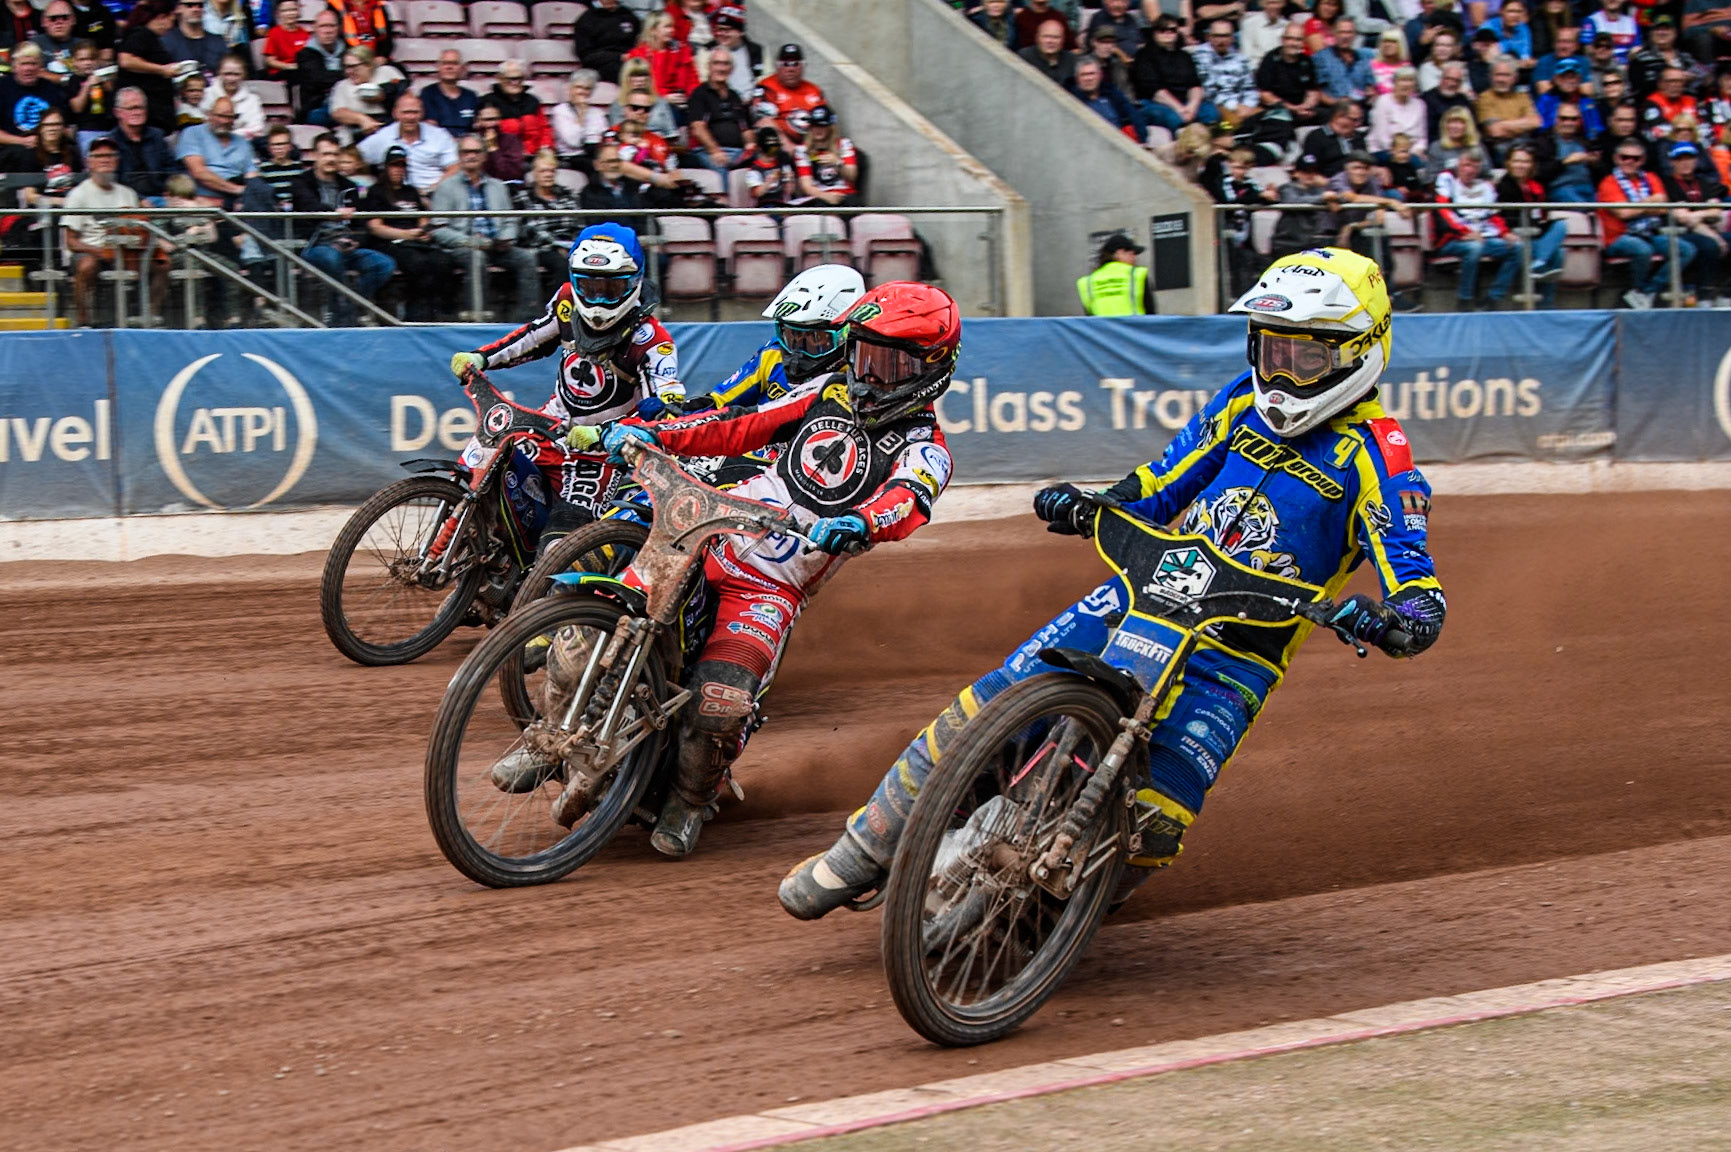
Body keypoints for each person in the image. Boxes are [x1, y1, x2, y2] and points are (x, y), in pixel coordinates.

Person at [778, 248, 1445, 920]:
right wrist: (1090, 503)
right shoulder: (1240, 403)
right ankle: (860, 850)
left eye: (1303, 358)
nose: (1279, 372)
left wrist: (1403, 618)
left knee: (1156, 822)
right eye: (1270, 350)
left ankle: (1049, 924)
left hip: (1237, 653)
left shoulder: (1377, 460)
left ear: (1359, 352)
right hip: (1142, 596)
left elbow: (1413, 574)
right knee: (985, 707)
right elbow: (1156, 484)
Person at [558, 281, 962, 859]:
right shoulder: (826, 390)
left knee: (717, 705)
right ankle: (548, 731)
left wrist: (862, 524)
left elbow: (907, 499)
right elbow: (737, 425)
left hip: (773, 583)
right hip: (715, 533)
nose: (870, 375)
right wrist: (650, 434)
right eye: (864, 355)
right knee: (592, 626)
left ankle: (691, 799)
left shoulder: (927, 448)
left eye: (889, 363)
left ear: (931, 368)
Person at [448, 223, 679, 553]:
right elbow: (533, 337)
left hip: (601, 454)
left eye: (611, 288)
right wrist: (482, 357)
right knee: (483, 471)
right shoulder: (567, 301)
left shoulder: (653, 342)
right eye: (588, 285)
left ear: (634, 282)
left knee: (559, 549)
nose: (598, 299)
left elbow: (665, 413)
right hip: (550, 428)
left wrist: (610, 431)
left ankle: (548, 593)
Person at [690, 264, 867, 417]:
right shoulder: (773, 354)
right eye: (792, 338)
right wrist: (678, 417)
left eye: (815, 340)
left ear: (846, 334)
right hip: (753, 447)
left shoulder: (860, 374)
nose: (797, 353)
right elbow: (718, 402)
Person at [64, 135, 171, 324]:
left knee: (163, 264)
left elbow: (140, 228)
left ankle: (151, 316)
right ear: (89, 162)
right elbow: (70, 241)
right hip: (92, 249)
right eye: (99, 156)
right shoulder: (78, 194)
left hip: (125, 250)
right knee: (86, 265)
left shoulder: (128, 193)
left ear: (117, 160)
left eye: (110, 155)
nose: (105, 159)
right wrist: (101, 252)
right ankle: (83, 319)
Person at [289, 132, 395, 323]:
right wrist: (335, 213)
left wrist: (355, 241)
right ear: (314, 155)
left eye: (335, 154)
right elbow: (309, 206)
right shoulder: (301, 182)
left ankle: (349, 307)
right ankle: (342, 312)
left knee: (384, 265)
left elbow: (361, 224)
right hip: (314, 246)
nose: (331, 159)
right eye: (326, 154)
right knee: (331, 257)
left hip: (347, 248)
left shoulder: (349, 186)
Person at [431, 133, 539, 316]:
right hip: (463, 246)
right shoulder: (446, 187)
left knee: (526, 258)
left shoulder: (498, 186)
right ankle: (478, 315)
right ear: (459, 156)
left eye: (475, 151)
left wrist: (506, 238)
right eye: (466, 152)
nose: (471, 156)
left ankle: (526, 319)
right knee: (476, 258)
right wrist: (471, 241)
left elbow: (510, 220)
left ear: (484, 155)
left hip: (496, 245)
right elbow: (438, 229)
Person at [360, 143, 453, 320]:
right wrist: (405, 234)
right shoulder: (376, 191)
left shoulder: (411, 191)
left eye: (402, 165)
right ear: (386, 167)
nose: (398, 170)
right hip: (390, 242)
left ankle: (440, 313)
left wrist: (424, 231)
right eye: (394, 165)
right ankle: (416, 316)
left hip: (416, 240)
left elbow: (423, 218)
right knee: (417, 264)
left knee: (444, 261)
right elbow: (375, 227)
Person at [1596, 138, 1689, 309]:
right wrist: (1650, 202)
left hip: (1649, 233)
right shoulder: (1608, 182)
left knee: (1685, 250)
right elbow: (1623, 213)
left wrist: (1637, 206)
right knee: (1642, 250)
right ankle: (1640, 292)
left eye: (1635, 158)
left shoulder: (1651, 178)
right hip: (1618, 237)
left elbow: (1662, 208)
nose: (1630, 161)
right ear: (1617, 158)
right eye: (1625, 157)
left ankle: (1644, 292)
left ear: (1643, 160)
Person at [1494, 143, 1569, 299]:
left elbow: (1542, 215)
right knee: (1558, 253)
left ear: (1532, 165)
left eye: (1525, 162)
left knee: (1561, 227)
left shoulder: (1536, 186)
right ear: (1508, 163)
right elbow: (1495, 216)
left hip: (1535, 235)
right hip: (1516, 237)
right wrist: (1506, 234)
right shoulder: (1502, 186)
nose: (1521, 165)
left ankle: (1539, 265)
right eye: (1517, 161)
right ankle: (1545, 295)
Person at [1660, 140, 1728, 307]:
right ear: (1672, 162)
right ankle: (1704, 295)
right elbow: (1683, 218)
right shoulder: (1667, 183)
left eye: (1689, 158)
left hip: (1704, 229)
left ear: (1696, 160)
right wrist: (1713, 234)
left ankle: (1727, 294)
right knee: (1709, 245)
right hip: (1677, 231)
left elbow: (1716, 212)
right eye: (1680, 159)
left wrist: (1698, 214)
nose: (1685, 163)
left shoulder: (1704, 183)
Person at [357, 90, 457, 193]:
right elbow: (354, 158)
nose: (410, 117)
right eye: (406, 112)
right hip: (395, 197)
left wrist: (433, 188)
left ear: (422, 113)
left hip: (435, 193)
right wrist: (369, 185)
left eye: (415, 112)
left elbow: (456, 167)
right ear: (395, 113)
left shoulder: (439, 135)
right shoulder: (382, 137)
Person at [514, 147, 583, 292]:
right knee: (560, 263)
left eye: (551, 171)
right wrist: (557, 245)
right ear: (534, 173)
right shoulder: (523, 198)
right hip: (541, 247)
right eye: (543, 171)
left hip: (571, 247)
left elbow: (579, 225)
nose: (548, 175)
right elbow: (530, 229)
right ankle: (561, 308)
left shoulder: (567, 195)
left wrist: (572, 245)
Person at [1134, 14, 1211, 130]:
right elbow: (1155, 91)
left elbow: (1195, 85)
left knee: (1211, 113)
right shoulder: (1144, 55)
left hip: (1186, 102)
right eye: (1162, 30)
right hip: (1157, 103)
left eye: (1172, 30)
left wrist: (1191, 107)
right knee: (1174, 118)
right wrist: (1180, 109)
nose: (1168, 33)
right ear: (1154, 32)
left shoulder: (1184, 56)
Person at [175, 93, 254, 202]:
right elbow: (199, 173)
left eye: (230, 117)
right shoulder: (192, 133)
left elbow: (252, 175)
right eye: (221, 116)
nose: (225, 121)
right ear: (210, 115)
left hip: (240, 200)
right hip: (202, 199)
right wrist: (237, 189)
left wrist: (253, 191)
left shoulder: (242, 142)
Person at [106, 84, 177, 197]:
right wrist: (139, 199)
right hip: (125, 200)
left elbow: (171, 168)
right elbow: (112, 182)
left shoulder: (157, 136)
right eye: (131, 108)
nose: (137, 112)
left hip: (160, 197)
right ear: (117, 112)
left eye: (140, 107)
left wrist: (172, 189)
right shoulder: (109, 142)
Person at [0, 44, 71, 154]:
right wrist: (21, 141)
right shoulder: (2, 87)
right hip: (12, 149)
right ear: (14, 67)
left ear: (40, 67)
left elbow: (64, 127)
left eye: (33, 64)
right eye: (23, 64)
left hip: (49, 147)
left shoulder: (51, 89)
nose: (28, 68)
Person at [687, 49, 750, 172]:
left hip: (738, 152)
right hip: (707, 151)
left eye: (725, 64)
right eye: (716, 63)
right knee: (720, 168)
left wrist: (750, 144)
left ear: (731, 69)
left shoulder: (735, 96)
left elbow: (746, 128)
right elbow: (698, 128)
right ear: (709, 66)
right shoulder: (699, 94)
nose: (721, 68)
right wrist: (715, 151)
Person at [1269, 152, 1342, 257]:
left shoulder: (1320, 189)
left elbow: (1342, 197)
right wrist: (1323, 198)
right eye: (1306, 172)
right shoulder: (1287, 188)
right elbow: (1292, 201)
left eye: (1314, 172)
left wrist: (1328, 188)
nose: (1310, 175)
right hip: (1287, 242)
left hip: (1312, 243)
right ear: (1296, 173)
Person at [1190, 19, 1259, 126]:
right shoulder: (1199, 56)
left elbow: (1249, 87)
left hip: (1242, 106)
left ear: (1232, 38)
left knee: (1271, 117)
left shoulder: (1240, 58)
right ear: (1209, 37)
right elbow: (1208, 90)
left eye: (1225, 36)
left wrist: (1248, 106)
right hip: (1216, 104)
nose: (1221, 40)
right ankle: (1221, 135)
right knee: (1233, 123)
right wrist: (1235, 106)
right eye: (1217, 36)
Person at [1255, 22, 1324, 127]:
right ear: (1282, 40)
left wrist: (1306, 106)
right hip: (1279, 109)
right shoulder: (1270, 59)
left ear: (1303, 42)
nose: (1293, 43)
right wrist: (1292, 108)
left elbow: (1313, 91)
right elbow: (1264, 95)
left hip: (1303, 109)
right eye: (1289, 38)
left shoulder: (1307, 61)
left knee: (1328, 115)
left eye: (1298, 39)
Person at [757, 42, 828, 144]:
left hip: (810, 146)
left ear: (803, 66)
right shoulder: (766, 87)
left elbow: (827, 123)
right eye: (785, 64)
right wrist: (787, 145)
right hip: (778, 147)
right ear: (777, 67)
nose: (791, 69)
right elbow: (764, 122)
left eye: (795, 64)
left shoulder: (815, 90)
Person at [327, 45, 405, 138]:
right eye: (346, 67)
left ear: (368, 65)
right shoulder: (342, 85)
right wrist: (362, 119)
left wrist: (385, 95)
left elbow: (407, 96)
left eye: (353, 67)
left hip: (390, 125)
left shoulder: (387, 72)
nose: (349, 71)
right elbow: (338, 113)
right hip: (356, 130)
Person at [624, 12, 698, 109]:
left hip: (684, 102)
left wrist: (694, 98)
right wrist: (663, 98)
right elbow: (638, 87)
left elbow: (692, 80)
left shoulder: (682, 51)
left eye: (672, 27)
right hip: (651, 105)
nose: (671, 30)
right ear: (653, 30)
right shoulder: (638, 55)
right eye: (667, 27)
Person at [480, 58, 552, 157]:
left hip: (534, 156)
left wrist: (546, 148)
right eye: (510, 79)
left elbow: (545, 130)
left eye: (519, 78)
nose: (515, 83)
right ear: (500, 79)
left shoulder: (533, 101)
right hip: (504, 157)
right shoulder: (488, 102)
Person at [1476, 56, 1542, 161]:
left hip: (1526, 146)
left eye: (1506, 75)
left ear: (1515, 78)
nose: (1501, 79)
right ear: (1490, 77)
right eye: (1498, 75)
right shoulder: (1484, 98)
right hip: (1500, 150)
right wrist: (1522, 125)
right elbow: (1495, 131)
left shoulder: (1522, 96)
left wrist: (1504, 124)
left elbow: (1536, 122)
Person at [1532, 99, 1600, 200]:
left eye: (1574, 119)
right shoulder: (1544, 141)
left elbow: (1600, 172)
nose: (1569, 123)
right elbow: (1538, 172)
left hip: (1588, 187)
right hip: (1560, 189)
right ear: (1556, 119)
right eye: (1564, 118)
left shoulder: (1584, 141)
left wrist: (1595, 162)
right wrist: (1565, 161)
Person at [794, 103, 858, 206]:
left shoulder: (844, 144)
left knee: (854, 204)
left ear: (830, 127)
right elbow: (806, 186)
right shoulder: (802, 150)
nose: (817, 130)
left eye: (822, 126)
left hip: (845, 194)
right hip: (819, 195)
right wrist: (826, 196)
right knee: (820, 206)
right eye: (814, 126)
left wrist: (837, 162)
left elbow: (852, 176)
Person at [1069, 55, 1145, 141]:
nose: (1089, 78)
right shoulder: (1072, 100)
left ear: (1100, 76)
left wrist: (1142, 140)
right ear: (1077, 79)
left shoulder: (1112, 93)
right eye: (1084, 75)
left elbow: (1133, 115)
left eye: (1092, 74)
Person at [577, 140, 648, 232]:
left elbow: (646, 218)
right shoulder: (589, 193)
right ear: (597, 165)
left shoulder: (633, 187)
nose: (614, 165)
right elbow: (596, 225)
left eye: (617, 161)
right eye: (610, 161)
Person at [1078, 231, 1153, 314]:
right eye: (1132, 254)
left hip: (1103, 327)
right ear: (1120, 253)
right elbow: (1151, 315)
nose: (1134, 259)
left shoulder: (1087, 282)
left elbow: (1089, 319)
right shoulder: (1137, 275)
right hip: (1133, 327)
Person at [550, 68, 608, 170]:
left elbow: (601, 140)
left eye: (587, 88)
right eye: (579, 87)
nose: (583, 92)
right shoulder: (560, 111)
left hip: (594, 155)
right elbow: (574, 141)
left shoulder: (598, 113)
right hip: (570, 158)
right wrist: (581, 115)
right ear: (570, 89)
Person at [294, 9, 345, 123]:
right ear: (315, 29)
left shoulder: (348, 51)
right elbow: (319, 79)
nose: (328, 31)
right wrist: (346, 75)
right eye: (323, 26)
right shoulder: (305, 54)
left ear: (339, 28)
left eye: (332, 26)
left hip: (347, 102)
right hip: (318, 107)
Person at [573, 0, 641, 85]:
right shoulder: (587, 19)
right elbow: (586, 56)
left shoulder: (629, 16)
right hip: (601, 66)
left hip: (630, 61)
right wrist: (619, 57)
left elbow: (640, 42)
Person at [199, 51, 262, 139]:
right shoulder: (206, 94)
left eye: (236, 74)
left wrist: (230, 136)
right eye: (227, 74)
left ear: (244, 75)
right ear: (219, 73)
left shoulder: (252, 100)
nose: (232, 79)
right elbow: (202, 124)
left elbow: (256, 128)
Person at [1314, 16, 1377, 102]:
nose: (1345, 36)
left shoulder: (1364, 58)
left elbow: (1370, 86)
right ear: (1334, 33)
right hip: (1334, 108)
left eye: (1349, 32)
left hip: (1360, 106)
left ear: (1354, 35)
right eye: (1341, 32)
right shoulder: (1321, 57)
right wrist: (1339, 105)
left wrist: (1370, 92)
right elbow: (1317, 91)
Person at [1367, 65, 1427, 153]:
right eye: (1402, 80)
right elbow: (1381, 138)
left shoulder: (1420, 104)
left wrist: (1417, 149)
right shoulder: (1383, 101)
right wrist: (1401, 152)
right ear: (1394, 83)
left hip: (1412, 152)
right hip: (1385, 150)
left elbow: (1422, 137)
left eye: (1410, 80)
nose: (1406, 84)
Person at [418, 47, 477, 135]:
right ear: (438, 67)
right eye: (445, 63)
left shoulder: (471, 96)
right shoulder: (428, 94)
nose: (449, 67)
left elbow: (475, 126)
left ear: (462, 68)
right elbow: (431, 127)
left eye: (454, 63)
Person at [708, 5, 762, 102]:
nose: (722, 34)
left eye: (727, 30)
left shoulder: (754, 50)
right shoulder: (708, 50)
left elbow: (761, 79)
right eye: (720, 29)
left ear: (740, 32)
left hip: (749, 105)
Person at [161, 0, 225, 77]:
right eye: (190, 5)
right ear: (178, 8)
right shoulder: (166, 41)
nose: (196, 9)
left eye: (200, 5)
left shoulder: (218, 41)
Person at [1021, 17, 1079, 87]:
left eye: (1056, 37)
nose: (1050, 41)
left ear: (1063, 40)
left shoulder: (1071, 60)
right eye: (1046, 37)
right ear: (1037, 38)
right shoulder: (1024, 57)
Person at [1582, 0, 1639, 68]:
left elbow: (1636, 50)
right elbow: (1588, 51)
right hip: (1600, 69)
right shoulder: (1591, 20)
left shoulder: (1632, 23)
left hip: (1625, 70)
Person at [261, 0, 306, 82]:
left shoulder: (304, 33)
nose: (290, 13)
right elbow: (270, 61)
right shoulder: (274, 33)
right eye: (285, 11)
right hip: (280, 72)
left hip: (299, 70)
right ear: (278, 14)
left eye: (293, 9)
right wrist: (290, 66)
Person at [1239, 0, 1291, 67]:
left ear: (1283, 4)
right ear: (1262, 4)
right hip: (1256, 68)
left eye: (1277, 3)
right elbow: (1246, 55)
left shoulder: (1288, 26)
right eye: (1269, 3)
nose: (1273, 7)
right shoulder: (1250, 24)